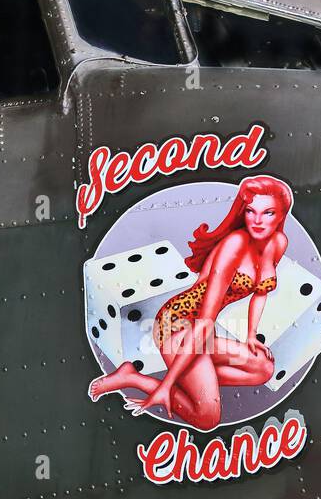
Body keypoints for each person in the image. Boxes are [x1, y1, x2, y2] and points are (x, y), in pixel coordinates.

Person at [89, 175, 292, 431]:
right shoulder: (234, 245)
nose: (258, 220)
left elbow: (261, 292)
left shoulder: (278, 242)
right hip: (176, 325)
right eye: (251, 211)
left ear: (281, 215)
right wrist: (165, 385)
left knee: (263, 369)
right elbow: (205, 322)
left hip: (201, 331)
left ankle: (195, 382)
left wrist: (251, 335)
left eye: (268, 213)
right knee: (207, 419)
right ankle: (134, 378)